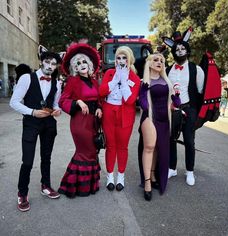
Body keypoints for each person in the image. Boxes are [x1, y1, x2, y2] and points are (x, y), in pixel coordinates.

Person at [9, 48, 62, 212]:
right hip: (31, 123)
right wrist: (32, 112)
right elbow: (14, 102)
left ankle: (45, 185)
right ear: (41, 61)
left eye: (54, 64)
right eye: (47, 62)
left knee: (46, 157)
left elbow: (55, 103)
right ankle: (22, 193)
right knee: (28, 161)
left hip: (49, 124)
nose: (50, 66)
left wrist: (57, 109)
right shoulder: (27, 78)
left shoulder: (57, 82)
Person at [58, 43, 102, 198]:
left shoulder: (95, 81)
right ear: (74, 67)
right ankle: (74, 187)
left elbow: (98, 100)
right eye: (78, 63)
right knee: (85, 152)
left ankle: (89, 185)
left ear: (89, 65)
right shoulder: (72, 81)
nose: (82, 65)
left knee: (91, 152)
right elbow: (62, 101)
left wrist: (99, 107)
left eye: (84, 62)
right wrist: (77, 102)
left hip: (93, 122)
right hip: (79, 123)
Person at [163, 27, 205, 186]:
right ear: (173, 51)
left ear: (187, 51)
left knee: (189, 141)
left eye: (182, 48)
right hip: (172, 109)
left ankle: (189, 171)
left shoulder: (197, 69)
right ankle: (172, 168)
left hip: (189, 108)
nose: (180, 50)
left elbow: (200, 91)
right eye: (177, 49)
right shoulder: (167, 70)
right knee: (171, 139)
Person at [138, 53, 181, 201]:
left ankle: (153, 173)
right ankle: (147, 183)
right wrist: (143, 92)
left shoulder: (167, 81)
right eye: (156, 60)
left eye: (162, 61)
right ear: (149, 63)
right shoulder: (145, 81)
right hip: (150, 117)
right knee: (149, 147)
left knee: (157, 148)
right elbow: (143, 105)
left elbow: (176, 103)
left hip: (164, 119)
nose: (159, 63)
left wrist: (176, 99)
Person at [99, 46, 141, 191]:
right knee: (110, 146)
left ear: (130, 60)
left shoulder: (135, 78)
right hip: (109, 112)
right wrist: (116, 78)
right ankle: (110, 176)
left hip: (125, 115)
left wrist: (123, 81)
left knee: (122, 147)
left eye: (124, 58)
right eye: (118, 57)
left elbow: (130, 100)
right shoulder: (109, 73)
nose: (121, 60)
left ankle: (121, 177)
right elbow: (102, 91)